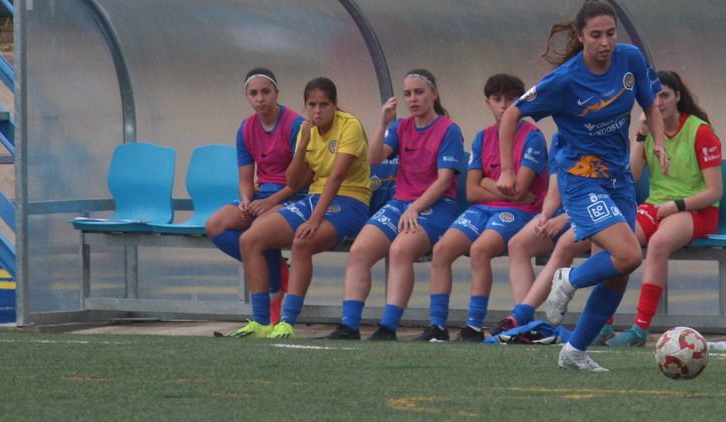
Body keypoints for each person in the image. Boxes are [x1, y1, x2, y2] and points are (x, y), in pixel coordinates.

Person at [496, 0, 665, 372]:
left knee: (620, 272)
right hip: (580, 181)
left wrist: (661, 144)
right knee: (629, 254)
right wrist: (507, 170)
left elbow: (650, 103)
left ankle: (575, 351)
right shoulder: (565, 80)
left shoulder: (630, 59)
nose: (605, 42)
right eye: (596, 35)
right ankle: (567, 278)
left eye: (610, 33)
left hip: (618, 178)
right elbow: (511, 115)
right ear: (580, 35)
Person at [232, 77, 372, 339]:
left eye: (324, 105)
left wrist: (315, 219)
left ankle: (287, 322)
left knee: (302, 242)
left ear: (335, 105)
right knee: (250, 239)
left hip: (350, 201)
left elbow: (337, 177)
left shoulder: (349, 126)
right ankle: (262, 322)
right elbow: (294, 181)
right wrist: (302, 146)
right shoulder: (306, 130)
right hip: (313, 199)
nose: (317, 111)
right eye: (312, 105)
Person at [337, 69, 466, 341]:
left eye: (419, 92)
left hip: (436, 206)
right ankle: (349, 326)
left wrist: (415, 208)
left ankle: (388, 327)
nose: (413, 99)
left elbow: (444, 182)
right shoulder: (400, 127)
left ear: (434, 94)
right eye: (408, 94)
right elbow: (373, 158)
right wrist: (383, 123)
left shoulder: (448, 129)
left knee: (399, 250)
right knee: (359, 250)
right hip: (402, 204)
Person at [426, 74, 548, 342]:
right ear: (488, 103)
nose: (504, 105)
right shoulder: (482, 137)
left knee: (480, 249)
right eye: (497, 99)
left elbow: (520, 191)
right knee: (441, 250)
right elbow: (471, 191)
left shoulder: (533, 137)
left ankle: (472, 326)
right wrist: (497, 186)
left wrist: (486, 182)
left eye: (511, 99)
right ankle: (437, 327)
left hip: (523, 213)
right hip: (483, 208)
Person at [605, 70, 723, 348]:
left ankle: (639, 329)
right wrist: (640, 134)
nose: (658, 102)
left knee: (658, 243)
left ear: (678, 97)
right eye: (653, 96)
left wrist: (678, 205)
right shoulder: (648, 132)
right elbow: (631, 177)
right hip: (658, 206)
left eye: (665, 95)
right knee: (618, 243)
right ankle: (603, 322)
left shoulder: (699, 131)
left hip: (697, 209)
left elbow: (714, 192)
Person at [205, 68, 303, 335]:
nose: (260, 99)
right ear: (247, 96)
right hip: (262, 197)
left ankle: (268, 309)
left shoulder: (296, 125)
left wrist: (271, 202)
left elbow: (303, 180)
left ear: (276, 93)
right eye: (253, 93)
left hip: (292, 197)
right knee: (215, 224)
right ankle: (275, 271)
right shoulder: (246, 127)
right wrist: (247, 200)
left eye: (265, 92)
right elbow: (246, 178)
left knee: (257, 234)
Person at [496, 136, 590, 335]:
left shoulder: (599, 134)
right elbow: (553, 194)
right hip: (563, 214)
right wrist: (545, 216)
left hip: (594, 213)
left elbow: (603, 193)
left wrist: (566, 218)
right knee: (517, 244)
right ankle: (522, 325)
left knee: (564, 246)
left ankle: (519, 315)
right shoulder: (559, 139)